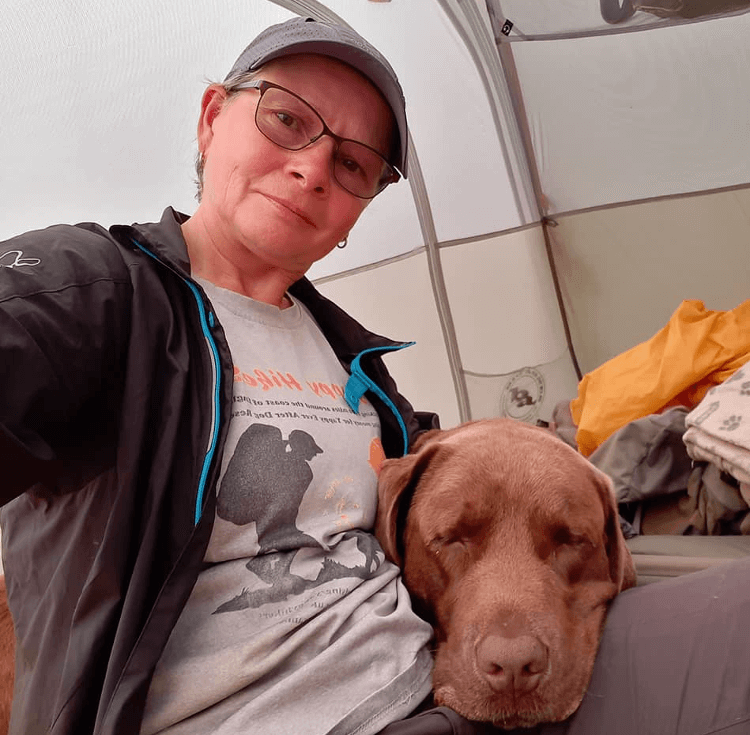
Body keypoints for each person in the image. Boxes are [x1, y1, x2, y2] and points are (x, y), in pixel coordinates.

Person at [2, 14, 750, 735]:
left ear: (360, 205)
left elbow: (454, 474)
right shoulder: (99, 293)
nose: (313, 167)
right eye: (286, 119)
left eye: (355, 161)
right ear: (209, 118)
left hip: (447, 679)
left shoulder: (346, 354)